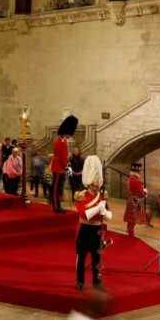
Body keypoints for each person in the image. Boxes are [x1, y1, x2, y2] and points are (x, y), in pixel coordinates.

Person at [74, 156, 113, 291]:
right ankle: (80, 281)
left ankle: (96, 280)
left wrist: (104, 212)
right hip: (85, 229)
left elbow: (109, 215)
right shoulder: (81, 196)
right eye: (95, 184)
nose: (97, 186)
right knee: (82, 257)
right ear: (89, 183)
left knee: (97, 257)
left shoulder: (102, 195)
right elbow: (84, 214)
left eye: (98, 183)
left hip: (97, 230)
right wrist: (98, 208)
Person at [52, 115, 78, 213]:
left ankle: (58, 206)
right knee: (56, 189)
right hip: (58, 168)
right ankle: (56, 207)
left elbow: (64, 156)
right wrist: (67, 168)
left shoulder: (62, 140)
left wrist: (66, 166)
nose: (70, 135)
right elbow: (62, 158)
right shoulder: (61, 141)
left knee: (59, 188)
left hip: (61, 167)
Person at [123, 163, 147, 237]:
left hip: (131, 199)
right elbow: (140, 193)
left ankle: (129, 232)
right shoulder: (136, 180)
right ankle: (131, 235)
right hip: (135, 200)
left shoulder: (131, 178)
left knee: (131, 219)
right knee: (133, 220)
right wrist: (145, 192)